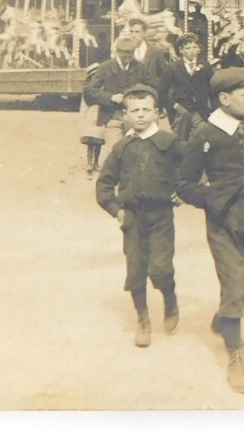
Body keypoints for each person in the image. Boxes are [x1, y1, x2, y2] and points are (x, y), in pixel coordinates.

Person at [175, 68, 244, 394]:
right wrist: (210, 198)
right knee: (234, 283)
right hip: (224, 219)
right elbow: (184, 182)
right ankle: (235, 355)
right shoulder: (206, 134)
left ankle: (223, 321)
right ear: (224, 98)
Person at [95, 85, 184, 348]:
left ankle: (170, 299)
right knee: (135, 271)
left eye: (147, 109)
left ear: (157, 113)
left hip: (161, 216)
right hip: (132, 217)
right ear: (125, 116)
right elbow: (103, 185)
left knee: (161, 267)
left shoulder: (169, 143)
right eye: (135, 111)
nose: (141, 115)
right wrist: (117, 210)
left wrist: (181, 191)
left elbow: (190, 169)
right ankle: (143, 319)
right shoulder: (122, 148)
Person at [84, 37, 151, 157]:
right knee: (114, 152)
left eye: (131, 52)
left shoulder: (141, 68)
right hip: (112, 114)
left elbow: (152, 88)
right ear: (117, 51)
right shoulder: (105, 67)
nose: (128, 56)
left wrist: (138, 96)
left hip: (135, 115)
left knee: (135, 152)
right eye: (125, 53)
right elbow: (90, 91)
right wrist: (111, 97)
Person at [159, 32, 215, 141]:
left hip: (200, 110)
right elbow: (161, 92)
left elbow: (212, 89)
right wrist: (175, 106)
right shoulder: (173, 68)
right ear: (181, 50)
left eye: (194, 47)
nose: (192, 51)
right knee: (180, 141)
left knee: (201, 137)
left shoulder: (205, 66)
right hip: (180, 112)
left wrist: (213, 109)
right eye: (188, 48)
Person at [126, 16, 169, 88]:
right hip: (131, 93)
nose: (133, 35)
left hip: (151, 92)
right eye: (131, 32)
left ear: (145, 33)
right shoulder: (125, 51)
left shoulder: (156, 51)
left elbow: (164, 76)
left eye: (137, 32)